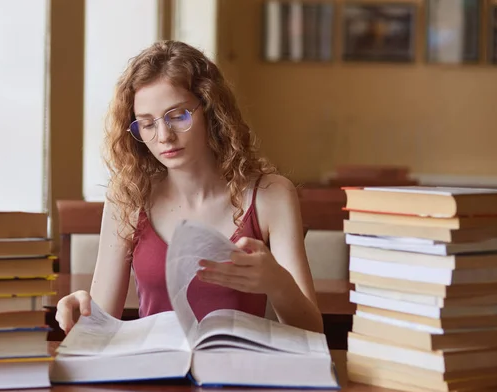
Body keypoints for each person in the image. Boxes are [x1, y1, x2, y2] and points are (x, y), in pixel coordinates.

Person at [56, 40, 323, 335]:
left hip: (241, 375)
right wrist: (82, 313)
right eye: (146, 123)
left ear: (211, 110)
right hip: (155, 375)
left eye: (178, 115)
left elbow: (312, 332)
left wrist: (277, 282)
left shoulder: (271, 195)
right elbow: (100, 328)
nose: (164, 136)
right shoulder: (127, 197)